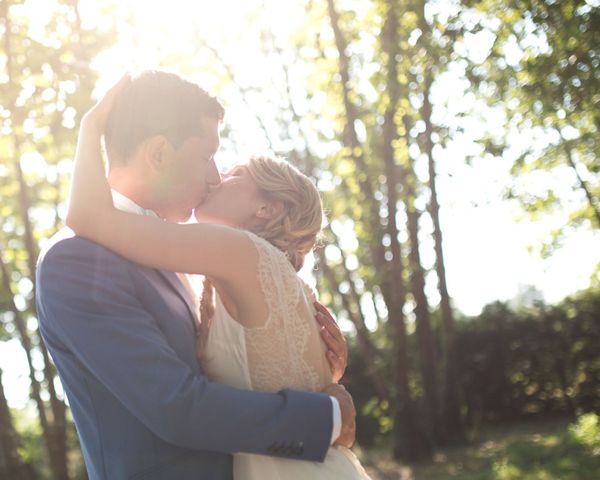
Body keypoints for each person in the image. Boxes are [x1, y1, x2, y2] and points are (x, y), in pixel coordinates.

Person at [35, 71, 358, 480]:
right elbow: (174, 407)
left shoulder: (186, 262)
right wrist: (326, 417)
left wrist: (311, 363)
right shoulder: (76, 260)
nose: (213, 178)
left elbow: (238, 365)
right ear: (158, 154)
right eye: (207, 156)